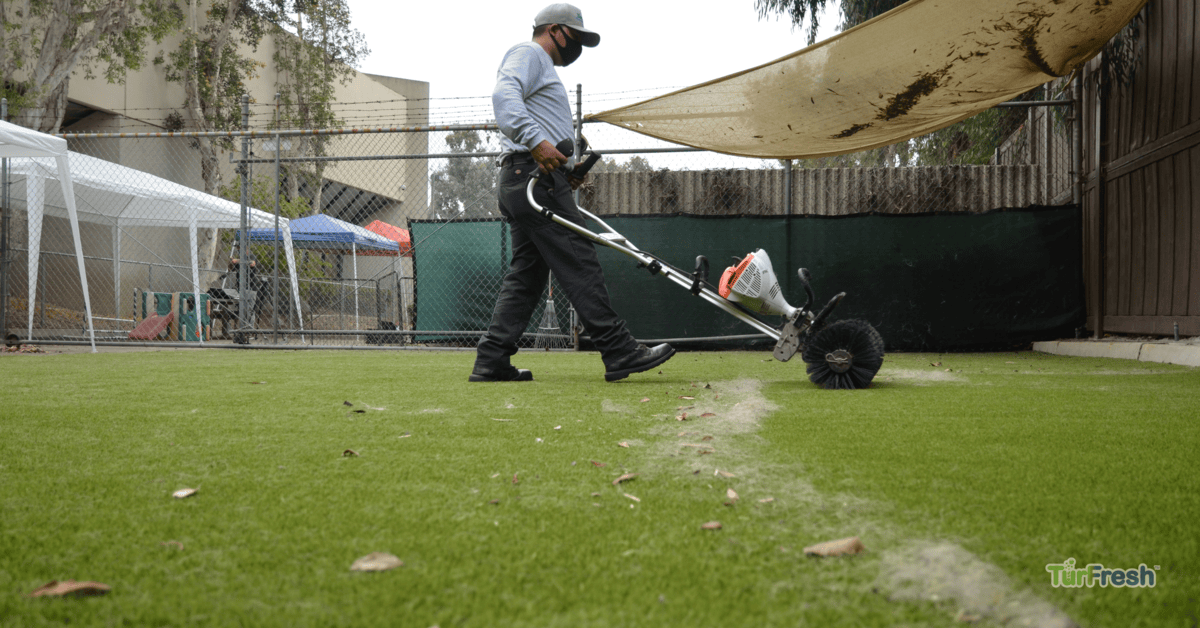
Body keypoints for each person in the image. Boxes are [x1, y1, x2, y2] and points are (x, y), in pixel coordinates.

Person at [470, 3, 675, 383]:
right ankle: (618, 350)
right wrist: (536, 143)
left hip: (525, 178)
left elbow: (541, 121)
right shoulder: (528, 53)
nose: (578, 46)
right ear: (554, 30)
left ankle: (492, 359)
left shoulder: (543, 68)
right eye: (575, 37)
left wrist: (567, 168)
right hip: (532, 179)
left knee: (527, 275)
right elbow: (504, 96)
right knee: (579, 259)